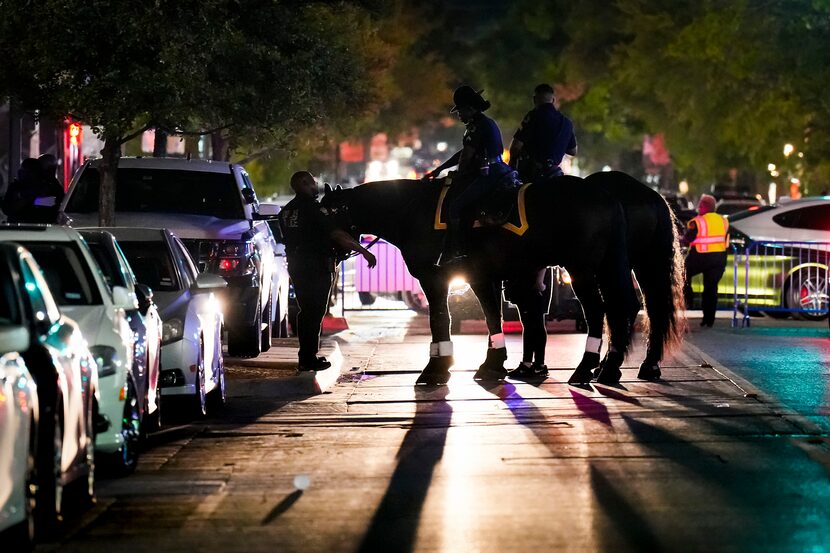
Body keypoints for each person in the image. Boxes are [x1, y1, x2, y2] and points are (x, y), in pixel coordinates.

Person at [278, 171, 377, 371]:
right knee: (315, 312)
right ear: (305, 184)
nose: (316, 186)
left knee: (306, 311)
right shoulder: (313, 209)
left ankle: (306, 357)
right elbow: (337, 234)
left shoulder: (286, 211)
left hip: (297, 266)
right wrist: (363, 251)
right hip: (316, 265)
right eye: (313, 183)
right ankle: (308, 358)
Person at [425, 85, 513, 266]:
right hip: (498, 169)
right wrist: (439, 169)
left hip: (489, 173)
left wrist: (459, 174)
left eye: (460, 111)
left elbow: (466, 156)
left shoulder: (476, 126)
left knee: (455, 207)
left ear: (470, 109)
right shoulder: (483, 123)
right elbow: (464, 152)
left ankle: (457, 250)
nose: (459, 115)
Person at [509, 83, 577, 183]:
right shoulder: (566, 122)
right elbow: (573, 151)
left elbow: (515, 147)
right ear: (553, 100)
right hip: (555, 175)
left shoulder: (533, 116)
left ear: (534, 99)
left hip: (532, 178)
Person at [683, 194, 729, 327]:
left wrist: (681, 239)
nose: (698, 207)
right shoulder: (723, 220)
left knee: (683, 273)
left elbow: (688, 239)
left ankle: (689, 300)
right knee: (711, 289)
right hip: (718, 259)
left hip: (700, 256)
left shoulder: (698, 221)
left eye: (700, 205)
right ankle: (709, 320)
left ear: (705, 206)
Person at [1, 154, 65, 224]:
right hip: (17, 228)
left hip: (40, 228)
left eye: (26, 172)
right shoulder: (16, 187)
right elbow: (7, 209)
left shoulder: (51, 186)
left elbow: (55, 203)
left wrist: (32, 200)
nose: (20, 173)